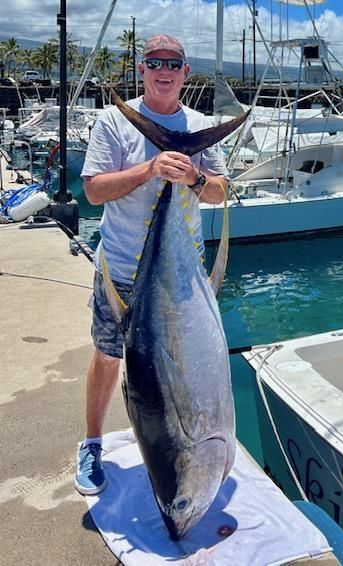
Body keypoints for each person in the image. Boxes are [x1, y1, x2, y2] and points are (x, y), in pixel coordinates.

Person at [75, 34, 230, 495]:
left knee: (188, 367)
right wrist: (150, 170)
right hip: (120, 272)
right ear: (142, 70)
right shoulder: (111, 123)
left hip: (184, 278)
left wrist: (195, 176)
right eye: (155, 62)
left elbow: (222, 192)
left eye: (174, 63)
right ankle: (92, 442)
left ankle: (204, 436)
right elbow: (94, 191)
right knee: (107, 355)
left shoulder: (201, 124)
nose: (164, 70)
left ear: (185, 72)